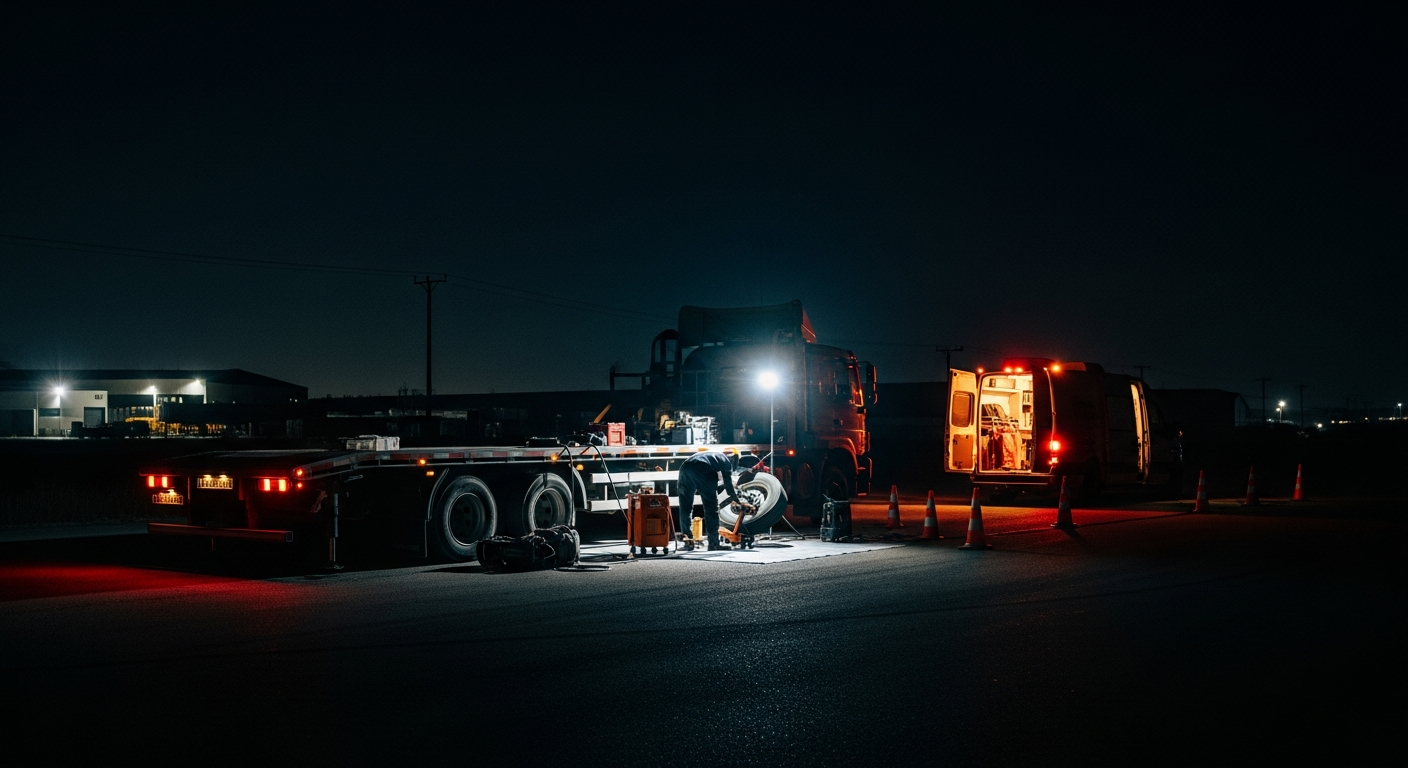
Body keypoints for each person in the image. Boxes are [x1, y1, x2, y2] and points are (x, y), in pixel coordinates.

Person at [676, 450, 755, 550]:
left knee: (685, 508)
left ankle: (688, 542)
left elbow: (720, 485)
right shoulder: (726, 462)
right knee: (711, 507)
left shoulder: (713, 456)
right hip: (701, 467)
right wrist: (738, 502)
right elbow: (728, 485)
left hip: (685, 468)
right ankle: (713, 543)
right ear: (734, 459)